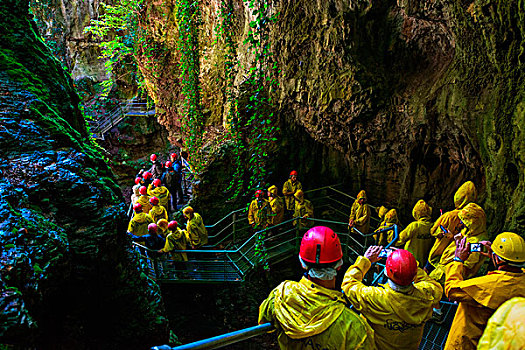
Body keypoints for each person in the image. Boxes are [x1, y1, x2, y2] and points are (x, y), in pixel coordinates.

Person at [258, 226, 376, 349]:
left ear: (303, 264)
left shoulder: (281, 294)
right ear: (339, 266)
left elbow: (263, 321)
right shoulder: (354, 328)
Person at [342, 247, 442, 350]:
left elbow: (349, 284)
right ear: (414, 274)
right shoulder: (428, 294)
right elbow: (433, 285)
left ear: (386, 272)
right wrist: (409, 263)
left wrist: (365, 260)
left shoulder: (375, 297)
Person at [443, 232, 525, 350]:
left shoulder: (490, 284)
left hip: (467, 343)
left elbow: (452, 289)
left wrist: (457, 260)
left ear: (497, 259)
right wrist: (495, 255)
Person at [429, 202, 488, 285]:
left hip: (451, 272)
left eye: (464, 220)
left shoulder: (478, 242)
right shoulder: (469, 231)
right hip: (446, 265)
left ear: (473, 222)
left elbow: (468, 264)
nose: (461, 222)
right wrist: (453, 237)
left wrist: (445, 270)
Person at [427, 181, 477, 270]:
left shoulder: (449, 216)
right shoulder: (475, 216)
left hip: (439, 251)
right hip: (455, 255)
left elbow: (433, 231)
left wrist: (442, 232)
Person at [395, 200, 433, 267]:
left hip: (410, 261)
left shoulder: (414, 226)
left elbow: (399, 240)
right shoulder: (433, 226)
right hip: (424, 263)